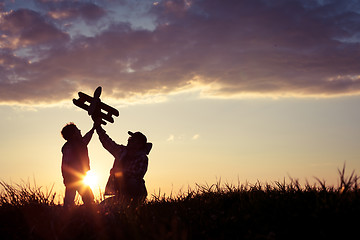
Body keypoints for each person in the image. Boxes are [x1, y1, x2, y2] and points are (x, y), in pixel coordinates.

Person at [94, 122, 152, 206]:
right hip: (120, 194)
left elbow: (137, 174)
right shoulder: (121, 152)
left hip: (136, 194)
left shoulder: (142, 158)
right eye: (130, 138)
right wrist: (98, 126)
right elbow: (107, 143)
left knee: (132, 181)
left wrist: (119, 171)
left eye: (133, 139)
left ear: (139, 145)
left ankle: (133, 203)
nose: (129, 140)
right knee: (102, 206)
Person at [61, 123, 95, 207]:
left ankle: (87, 212)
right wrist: (66, 177)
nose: (80, 131)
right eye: (77, 130)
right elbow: (65, 165)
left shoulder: (80, 143)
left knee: (88, 198)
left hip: (80, 176)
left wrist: (94, 128)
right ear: (73, 134)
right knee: (71, 200)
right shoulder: (69, 147)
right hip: (72, 178)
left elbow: (87, 137)